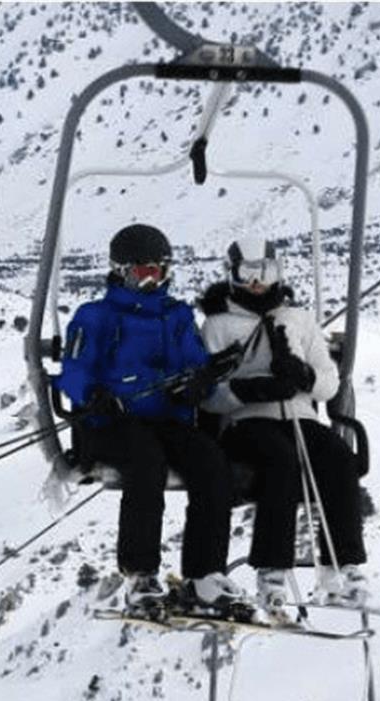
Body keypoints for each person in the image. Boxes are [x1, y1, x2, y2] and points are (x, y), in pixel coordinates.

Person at [58, 223, 246, 613]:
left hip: (167, 421)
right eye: (141, 273)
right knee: (146, 463)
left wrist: (200, 383)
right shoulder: (95, 317)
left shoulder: (176, 317)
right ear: (120, 271)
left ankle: (204, 574)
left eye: (156, 272)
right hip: (111, 424)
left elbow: (195, 367)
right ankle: (140, 573)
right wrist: (94, 395)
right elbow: (73, 371)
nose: (149, 281)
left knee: (210, 462)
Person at [199, 236, 368, 611]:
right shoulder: (218, 326)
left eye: (266, 271)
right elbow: (207, 394)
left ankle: (343, 564)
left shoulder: (299, 320)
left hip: (299, 415)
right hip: (248, 422)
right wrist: (247, 390)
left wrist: (303, 376)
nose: (257, 281)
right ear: (233, 275)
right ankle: (271, 568)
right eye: (247, 273)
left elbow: (328, 382)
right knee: (280, 460)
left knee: (339, 457)